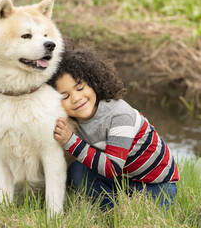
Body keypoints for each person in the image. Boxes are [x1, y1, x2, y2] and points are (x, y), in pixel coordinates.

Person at [47, 50, 179, 211]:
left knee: (143, 218)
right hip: (122, 178)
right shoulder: (72, 119)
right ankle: (113, 209)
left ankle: (125, 210)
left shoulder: (119, 114)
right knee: (76, 173)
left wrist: (71, 142)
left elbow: (112, 167)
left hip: (155, 183)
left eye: (80, 87)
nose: (76, 98)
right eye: (64, 96)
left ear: (93, 82)